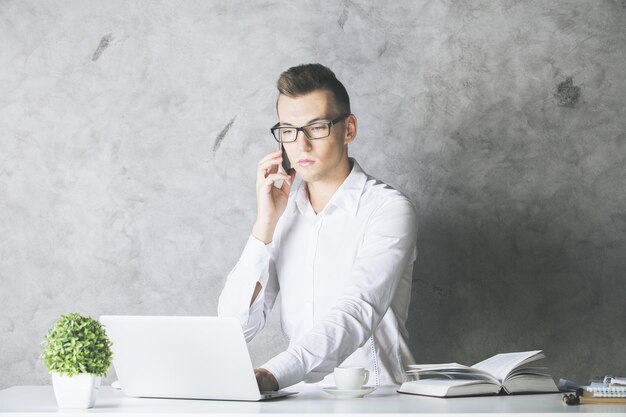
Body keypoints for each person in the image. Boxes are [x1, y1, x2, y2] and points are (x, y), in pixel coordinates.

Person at [218, 63, 417, 391]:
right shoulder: (282, 216)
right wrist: (264, 225)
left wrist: (273, 373)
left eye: (317, 127)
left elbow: (356, 310)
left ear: (348, 129)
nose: (301, 145)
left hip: (379, 401)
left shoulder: (389, 210)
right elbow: (234, 328)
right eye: (289, 131)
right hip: (299, 402)